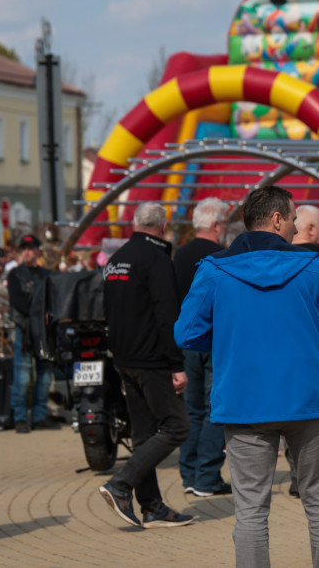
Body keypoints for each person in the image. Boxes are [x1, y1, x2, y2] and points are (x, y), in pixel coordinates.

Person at [175, 186, 319, 567]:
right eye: (291, 219)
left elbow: (186, 333)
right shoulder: (313, 266)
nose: (293, 227)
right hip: (308, 399)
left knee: (251, 512)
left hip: (245, 401)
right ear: (276, 220)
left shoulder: (215, 269)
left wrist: (231, 337)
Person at [98, 202, 193, 529]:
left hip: (124, 360)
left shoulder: (115, 259)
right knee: (178, 426)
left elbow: (108, 312)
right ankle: (121, 484)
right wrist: (176, 364)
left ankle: (152, 506)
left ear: (135, 223)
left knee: (143, 435)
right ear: (163, 227)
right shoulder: (156, 260)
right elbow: (167, 316)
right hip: (151, 360)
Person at [174, 197, 232, 498]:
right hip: (214, 341)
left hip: (185, 342)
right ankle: (207, 476)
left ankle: (188, 474)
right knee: (213, 411)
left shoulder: (178, 255)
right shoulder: (221, 257)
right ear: (216, 225)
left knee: (193, 410)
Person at [7, 234, 56, 433]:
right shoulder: (15, 274)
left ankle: (39, 415)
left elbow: (53, 300)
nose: (27, 252)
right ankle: (19, 417)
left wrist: (45, 314)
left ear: (37, 251)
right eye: (24, 248)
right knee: (23, 375)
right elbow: (18, 302)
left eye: (30, 248)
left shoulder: (46, 274)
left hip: (44, 332)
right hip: (25, 331)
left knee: (45, 375)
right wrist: (40, 312)